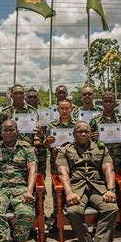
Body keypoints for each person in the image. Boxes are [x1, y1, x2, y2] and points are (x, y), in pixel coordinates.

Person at [56, 121, 119, 242]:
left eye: (86, 131)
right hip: (77, 188)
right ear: (73, 133)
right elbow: (63, 173)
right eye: (79, 131)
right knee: (73, 211)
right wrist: (69, 192)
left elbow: (108, 169)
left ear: (91, 133)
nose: (83, 134)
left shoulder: (101, 148)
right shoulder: (64, 150)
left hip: (98, 187)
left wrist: (110, 190)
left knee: (112, 208)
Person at [43, 99, 77, 233]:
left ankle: (74, 217)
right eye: (61, 108)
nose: (64, 111)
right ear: (57, 110)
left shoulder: (77, 125)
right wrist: (47, 142)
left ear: (71, 109)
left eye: (67, 108)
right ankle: (57, 219)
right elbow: (46, 145)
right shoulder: (52, 125)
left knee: (72, 187)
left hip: (73, 162)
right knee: (56, 190)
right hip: (56, 161)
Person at [89, 92, 121, 171]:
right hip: (100, 159)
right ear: (102, 103)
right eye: (106, 101)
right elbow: (88, 140)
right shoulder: (94, 120)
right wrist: (92, 138)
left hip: (119, 160)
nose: (108, 103)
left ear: (115, 103)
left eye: (111, 101)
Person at [25, 87, 47, 178]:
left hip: (40, 148)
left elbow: (49, 131)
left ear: (38, 99)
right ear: (25, 99)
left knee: (40, 176)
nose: (32, 99)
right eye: (30, 97)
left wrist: (42, 135)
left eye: (34, 97)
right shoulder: (20, 114)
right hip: (25, 149)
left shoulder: (45, 112)